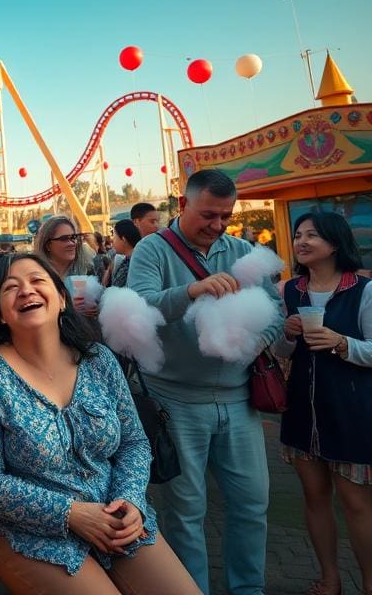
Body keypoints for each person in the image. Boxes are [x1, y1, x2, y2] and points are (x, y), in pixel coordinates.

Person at [0, 253, 199, 594]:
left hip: (114, 515)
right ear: (0, 313)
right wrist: (70, 513)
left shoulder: (99, 360)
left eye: (38, 281)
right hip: (26, 533)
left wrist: (130, 501)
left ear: (62, 299)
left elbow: (133, 442)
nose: (26, 291)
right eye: (11, 287)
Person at [127, 169, 283, 595]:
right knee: (185, 511)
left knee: (252, 505)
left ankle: (248, 589)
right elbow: (138, 305)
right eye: (208, 215)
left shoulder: (241, 250)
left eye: (225, 216)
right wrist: (192, 292)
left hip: (238, 402)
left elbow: (275, 309)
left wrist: (254, 344)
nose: (217, 225)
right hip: (174, 401)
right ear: (183, 205)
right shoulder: (152, 250)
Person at [272, 211, 372, 595]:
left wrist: (342, 343)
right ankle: (329, 579)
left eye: (312, 234)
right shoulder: (290, 291)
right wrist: (287, 332)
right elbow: (281, 351)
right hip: (302, 409)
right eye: (299, 235)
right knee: (314, 498)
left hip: (350, 410)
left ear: (335, 242)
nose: (302, 241)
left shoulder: (362, 291)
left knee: (356, 503)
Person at [109, 220, 141, 288]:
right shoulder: (128, 260)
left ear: (124, 239)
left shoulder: (133, 265)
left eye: (114, 237)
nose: (112, 241)